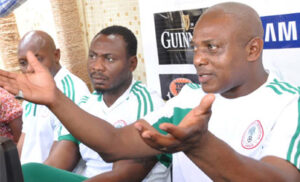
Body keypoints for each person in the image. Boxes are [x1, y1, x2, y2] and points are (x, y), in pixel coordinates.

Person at [0, 2, 299, 182]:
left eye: (211, 48)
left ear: (253, 49)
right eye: (195, 48)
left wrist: (200, 145)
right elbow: (114, 143)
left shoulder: (289, 104)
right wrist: (55, 99)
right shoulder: (189, 100)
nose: (198, 59)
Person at [25, 26, 170, 182]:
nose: (97, 66)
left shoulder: (148, 104)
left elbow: (124, 177)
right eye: (93, 56)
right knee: (29, 172)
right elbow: (58, 161)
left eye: (109, 59)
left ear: (132, 64)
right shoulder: (86, 103)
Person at [17, 30, 90, 164]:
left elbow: (66, 154)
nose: (29, 69)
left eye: (37, 59)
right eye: (23, 63)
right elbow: (25, 138)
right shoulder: (31, 91)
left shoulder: (72, 90)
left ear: (56, 55)